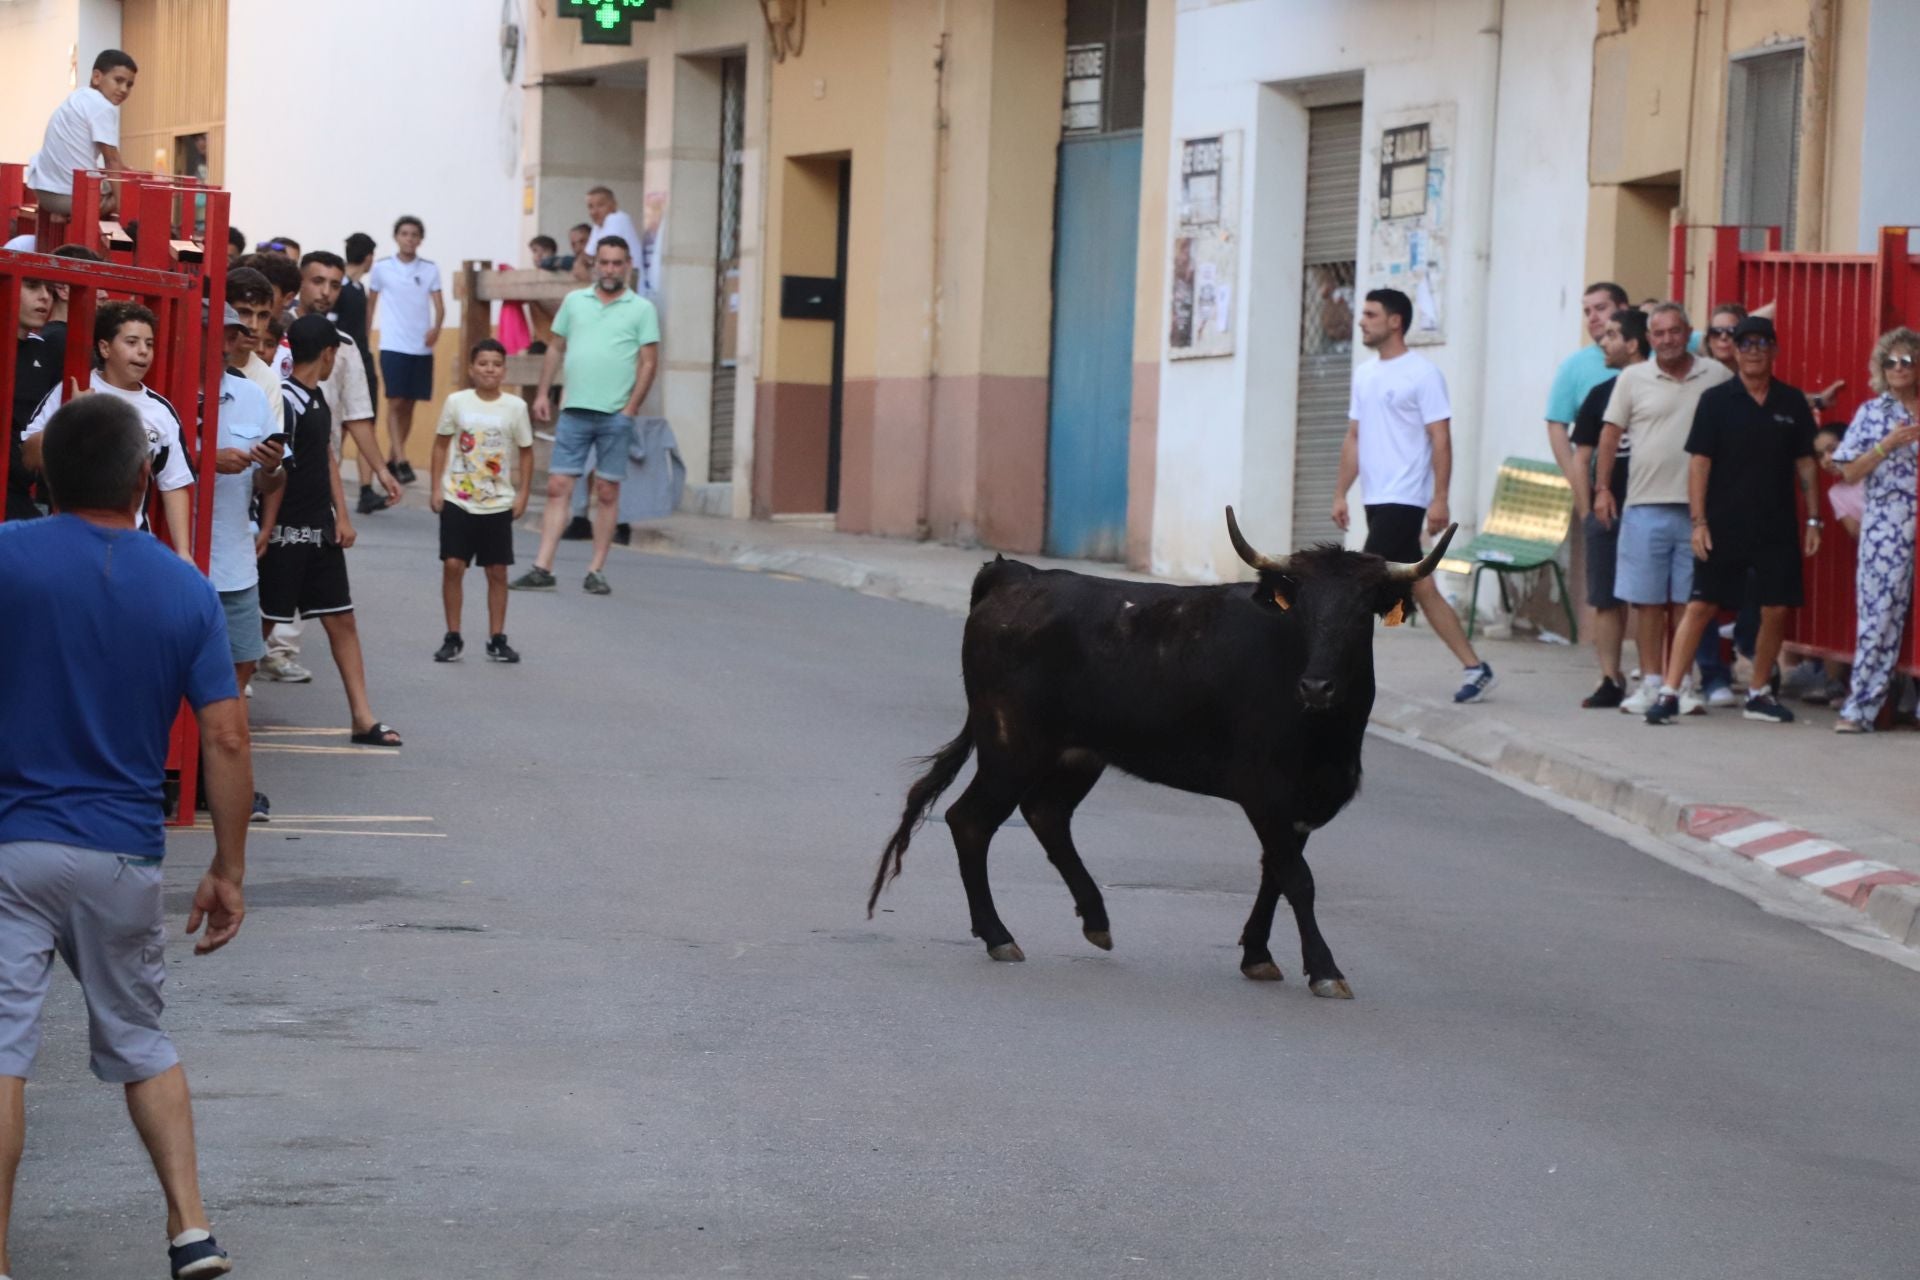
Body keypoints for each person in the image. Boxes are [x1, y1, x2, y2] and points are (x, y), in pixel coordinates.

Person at [0, 394, 249, 1280]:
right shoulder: (183, 586)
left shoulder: (7, 557)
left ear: (46, 475)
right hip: (122, 853)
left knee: (2, 1050)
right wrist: (226, 866)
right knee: (142, 1039)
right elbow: (224, 735)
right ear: (146, 479)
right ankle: (192, 1231)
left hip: (13, 845)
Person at [1645, 317, 1820, 725]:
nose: (1753, 350)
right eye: (1744, 344)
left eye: (1762, 343)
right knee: (1701, 603)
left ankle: (1759, 692)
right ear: (1735, 352)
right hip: (1723, 523)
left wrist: (1814, 520)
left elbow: (1807, 465)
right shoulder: (1716, 400)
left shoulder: (1791, 402)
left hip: (1776, 524)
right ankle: (1670, 691)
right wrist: (1699, 521)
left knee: (1776, 608)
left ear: (1774, 350)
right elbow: (1699, 465)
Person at [1332, 287, 1495, 702]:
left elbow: (1440, 438)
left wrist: (1439, 498)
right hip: (1375, 497)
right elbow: (1354, 437)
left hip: (1406, 499)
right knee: (1422, 588)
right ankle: (1475, 667)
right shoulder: (1364, 375)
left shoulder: (1423, 374)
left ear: (1394, 321)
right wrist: (1340, 493)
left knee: (1357, 582)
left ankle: (1338, 672)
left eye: (1370, 314)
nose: (1361, 321)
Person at [255, 316, 403, 747]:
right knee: (258, 629)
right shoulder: (286, 401)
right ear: (328, 354)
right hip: (286, 535)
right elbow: (275, 471)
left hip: (319, 533)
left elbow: (326, 459)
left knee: (342, 619)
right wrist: (268, 527)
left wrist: (341, 515)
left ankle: (362, 717)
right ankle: (217, 714)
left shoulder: (318, 400)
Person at [1594, 303, 1732, 714]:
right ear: (1649, 339)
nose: (1668, 340)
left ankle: (1682, 685)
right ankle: (1652, 682)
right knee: (1648, 601)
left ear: (1688, 333)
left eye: (1675, 332)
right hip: (1644, 504)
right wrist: (1603, 489)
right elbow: (1608, 435)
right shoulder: (1633, 378)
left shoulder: (1717, 376)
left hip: (1698, 510)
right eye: (1659, 333)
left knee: (1688, 602)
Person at [511, 236, 659, 597]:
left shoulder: (641, 309)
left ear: (627, 267)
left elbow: (649, 362)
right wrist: (544, 393)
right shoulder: (575, 302)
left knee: (607, 491)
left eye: (617, 263)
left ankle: (596, 569)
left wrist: (631, 408)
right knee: (560, 486)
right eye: (604, 262)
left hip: (615, 415)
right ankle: (542, 566)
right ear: (595, 265)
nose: (610, 269)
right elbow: (556, 347)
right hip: (575, 410)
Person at [22, 301, 196, 560]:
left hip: (129, 549)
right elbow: (28, 456)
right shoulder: (73, 389)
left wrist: (183, 552)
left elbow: (175, 483)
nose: (143, 352)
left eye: (149, 344)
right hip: (68, 544)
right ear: (105, 347)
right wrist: (73, 416)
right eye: (132, 342)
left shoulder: (161, 411)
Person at [207, 304, 287, 821]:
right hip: (177, 560)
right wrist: (205, 458)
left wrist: (271, 467)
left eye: (236, 333)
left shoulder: (253, 395)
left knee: (237, 677)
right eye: (223, 331)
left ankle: (229, 787)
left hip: (234, 559)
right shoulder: (162, 393)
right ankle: (176, 777)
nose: (232, 340)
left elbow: (273, 480)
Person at [1830, 327, 1920, 734]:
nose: (1899, 368)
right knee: (1879, 614)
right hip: (1887, 520)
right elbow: (1847, 470)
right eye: (1891, 361)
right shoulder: (1873, 412)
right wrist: (1888, 444)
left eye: (1907, 360)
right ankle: (1860, 707)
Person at [431, 340, 534, 663]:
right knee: (453, 565)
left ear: (504, 369)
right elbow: (440, 444)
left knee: (497, 571)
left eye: (496, 364)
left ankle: (497, 637)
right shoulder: (457, 402)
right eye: (483, 363)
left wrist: (523, 494)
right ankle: (453, 635)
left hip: (497, 502)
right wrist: (436, 488)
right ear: (472, 369)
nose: (490, 369)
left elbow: (527, 452)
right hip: (458, 499)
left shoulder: (515, 408)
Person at [1567, 307, 1648, 707]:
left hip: (1653, 507)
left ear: (1634, 344)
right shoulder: (1601, 395)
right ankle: (1609, 678)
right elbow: (1582, 457)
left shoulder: (1660, 388)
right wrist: (1587, 512)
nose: (1604, 340)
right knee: (1605, 598)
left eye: (1613, 334)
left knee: (1652, 600)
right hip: (1606, 513)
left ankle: (1659, 680)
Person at [366, 216, 444, 488]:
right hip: (393, 344)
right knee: (395, 399)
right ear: (396, 237)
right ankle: (401, 458)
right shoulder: (382, 268)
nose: (409, 238)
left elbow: (440, 305)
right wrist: (365, 338)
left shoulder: (430, 269)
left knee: (410, 402)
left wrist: (437, 327)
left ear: (420, 239)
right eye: (404, 233)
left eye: (414, 234)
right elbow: (371, 304)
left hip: (420, 346)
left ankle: (393, 457)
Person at [25, 50, 136, 217]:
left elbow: (114, 161)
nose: (123, 89)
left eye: (129, 85)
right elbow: (111, 160)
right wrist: (124, 211)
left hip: (44, 192)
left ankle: (63, 216)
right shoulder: (103, 106)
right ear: (97, 77)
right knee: (133, 192)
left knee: (117, 182)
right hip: (70, 197)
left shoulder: (78, 97)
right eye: (118, 81)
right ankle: (71, 214)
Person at [1546, 282, 1629, 485]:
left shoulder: (1655, 353)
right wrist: (1577, 481)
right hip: (1601, 483)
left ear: (1623, 309)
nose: (1592, 318)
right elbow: (1557, 424)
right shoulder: (1573, 367)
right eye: (1587, 312)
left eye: (1601, 308)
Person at [7, 278, 57, 522]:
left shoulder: (43, 350)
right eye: (32, 286)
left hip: (19, 493)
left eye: (49, 288)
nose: (45, 296)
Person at [337, 232, 379, 412]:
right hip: (342, 359)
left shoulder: (359, 287)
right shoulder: (339, 286)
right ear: (369, 257)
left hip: (360, 354)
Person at [577, 188, 642, 280]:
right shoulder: (599, 224)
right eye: (590, 207)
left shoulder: (617, 218)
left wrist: (582, 264)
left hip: (630, 276)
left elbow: (603, 254)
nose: (594, 212)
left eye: (600, 205)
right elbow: (587, 256)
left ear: (614, 206)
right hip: (614, 273)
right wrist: (581, 263)